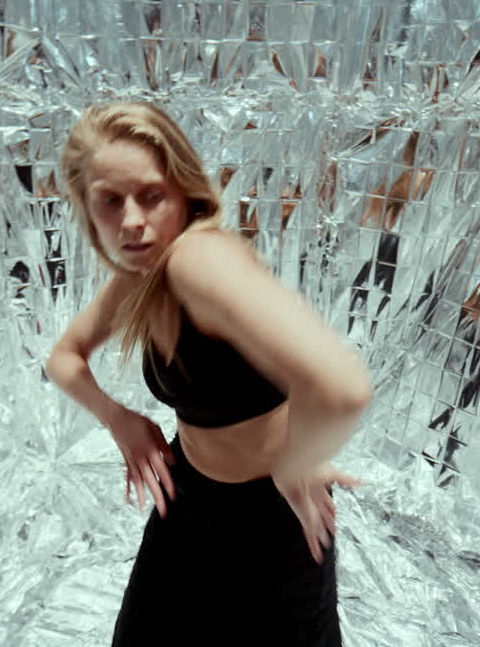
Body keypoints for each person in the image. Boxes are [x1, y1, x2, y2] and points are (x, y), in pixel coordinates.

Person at [44, 102, 372, 646]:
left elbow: (344, 387)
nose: (130, 221)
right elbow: (63, 357)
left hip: (274, 522)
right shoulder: (141, 271)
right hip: (189, 501)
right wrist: (119, 419)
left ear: (184, 192)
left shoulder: (197, 260)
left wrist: (298, 463)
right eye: (109, 202)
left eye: (151, 196)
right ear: (86, 209)